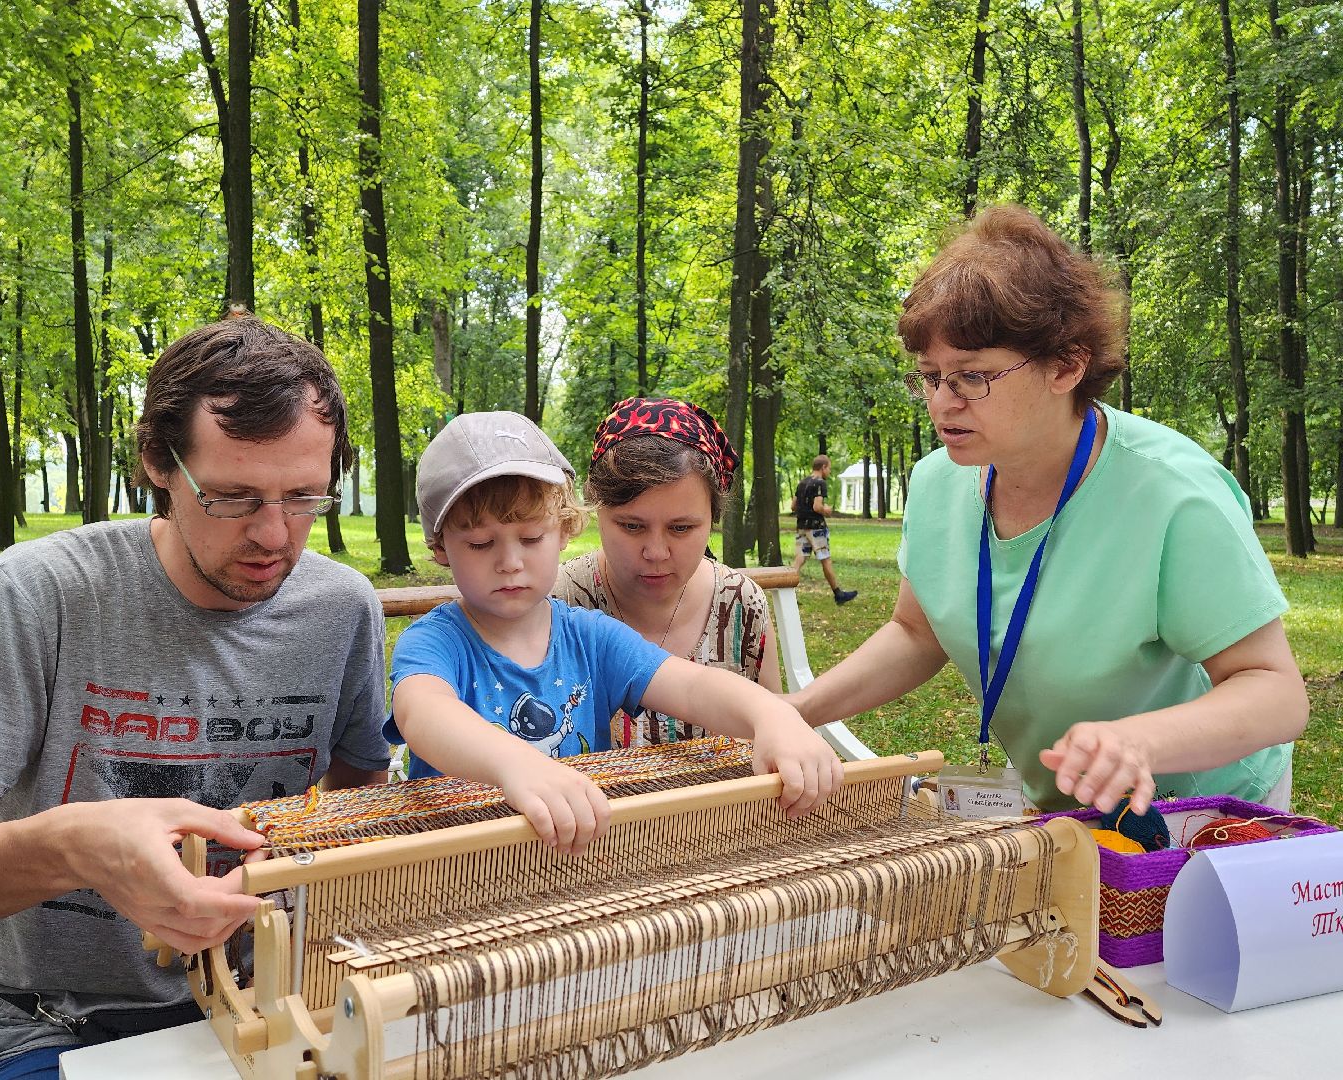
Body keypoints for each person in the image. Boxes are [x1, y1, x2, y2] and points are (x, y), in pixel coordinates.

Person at [0, 314, 392, 1080]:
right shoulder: (41, 593)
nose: (275, 535)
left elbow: (358, 797)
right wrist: (72, 847)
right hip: (48, 1027)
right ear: (157, 464)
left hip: (270, 1015)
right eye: (233, 497)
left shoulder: (343, 608)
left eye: (305, 497)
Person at [788, 206, 1308, 816]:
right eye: (930, 376)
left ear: (1067, 364)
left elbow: (1276, 693)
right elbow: (916, 633)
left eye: (971, 377)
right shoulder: (937, 484)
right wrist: (792, 713)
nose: (941, 404)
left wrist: (1139, 741)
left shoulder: (1171, 493)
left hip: (1203, 811)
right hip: (1064, 804)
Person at [386, 411, 842, 855]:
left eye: (530, 538)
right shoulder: (435, 642)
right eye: (481, 543)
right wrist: (515, 765)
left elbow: (692, 684)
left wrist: (773, 717)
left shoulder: (592, 637)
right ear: (440, 547)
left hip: (575, 863)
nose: (510, 562)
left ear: (564, 530)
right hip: (453, 875)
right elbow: (423, 714)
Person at [553, 396, 781, 748]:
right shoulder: (559, 603)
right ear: (596, 509)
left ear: (713, 518)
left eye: (681, 528)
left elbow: (771, 742)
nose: (656, 553)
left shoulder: (742, 605)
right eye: (631, 526)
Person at [790, 455, 858, 605]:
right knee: (825, 559)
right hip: (816, 528)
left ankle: (786, 590)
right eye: (829, 468)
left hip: (801, 526)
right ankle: (838, 594)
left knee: (800, 558)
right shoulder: (820, 483)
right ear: (823, 467)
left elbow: (793, 506)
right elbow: (817, 506)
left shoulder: (802, 483)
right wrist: (826, 510)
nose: (829, 471)